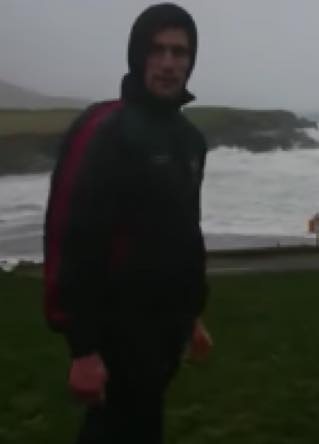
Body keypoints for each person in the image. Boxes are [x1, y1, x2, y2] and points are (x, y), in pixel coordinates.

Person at [43, 3, 212, 443]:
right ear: (138, 55)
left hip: (165, 332)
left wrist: (192, 313)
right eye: (157, 50)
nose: (168, 63)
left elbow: (186, 233)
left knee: (145, 425)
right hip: (115, 335)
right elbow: (68, 236)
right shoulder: (105, 128)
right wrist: (82, 348)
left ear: (191, 61)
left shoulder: (190, 141)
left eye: (179, 52)